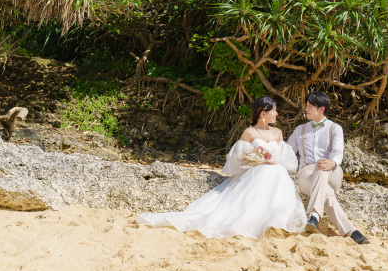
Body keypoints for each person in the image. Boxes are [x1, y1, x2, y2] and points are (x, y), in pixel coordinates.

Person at [135, 96, 307, 238]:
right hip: (257, 172)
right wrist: (258, 159)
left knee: (278, 173)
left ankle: (276, 220)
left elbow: (286, 157)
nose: (277, 114)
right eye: (274, 111)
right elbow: (239, 158)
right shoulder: (249, 133)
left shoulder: (277, 132)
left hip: (277, 171)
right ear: (263, 113)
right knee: (265, 174)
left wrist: (273, 159)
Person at [287, 91, 369, 244]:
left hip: (332, 171)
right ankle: (352, 231)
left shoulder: (335, 128)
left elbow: (338, 152)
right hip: (307, 175)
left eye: (310, 106)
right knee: (327, 193)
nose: (306, 109)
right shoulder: (300, 130)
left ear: (321, 109)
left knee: (322, 166)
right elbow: (288, 150)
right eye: (306, 105)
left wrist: (333, 162)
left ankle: (313, 216)